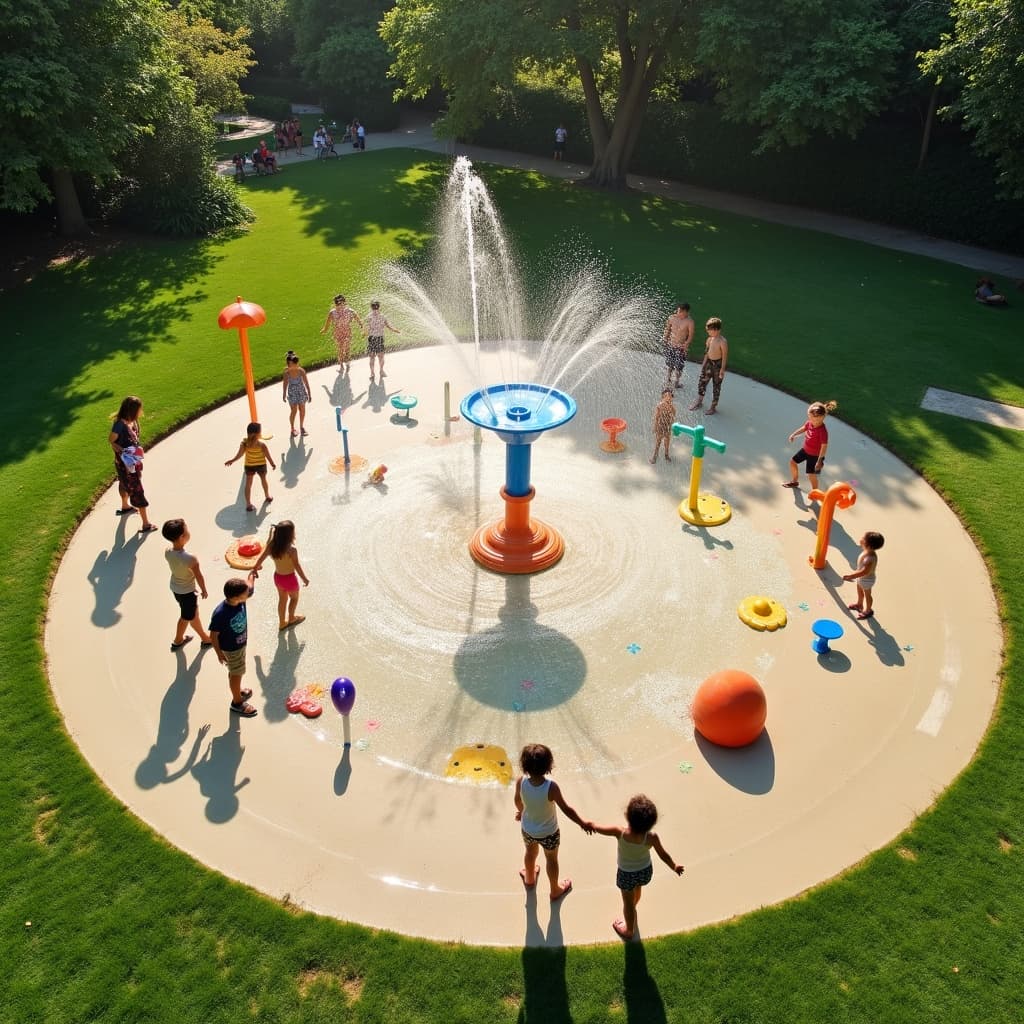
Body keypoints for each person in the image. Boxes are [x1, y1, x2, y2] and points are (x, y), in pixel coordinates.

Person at [589, 794, 684, 941]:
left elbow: (597, 828)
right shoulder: (651, 837)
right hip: (645, 871)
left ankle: (629, 930)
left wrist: (588, 824)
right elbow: (663, 855)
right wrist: (674, 866)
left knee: (627, 903)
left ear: (627, 816)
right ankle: (633, 907)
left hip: (626, 874)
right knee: (637, 889)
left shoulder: (619, 832)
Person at [514, 743, 592, 902]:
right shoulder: (550, 787)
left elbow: (517, 800)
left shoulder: (521, 781)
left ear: (524, 765)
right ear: (548, 765)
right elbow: (566, 809)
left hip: (528, 828)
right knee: (551, 859)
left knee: (530, 853)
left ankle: (529, 879)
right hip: (549, 832)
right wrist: (582, 823)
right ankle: (555, 890)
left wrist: (522, 812)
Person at [208, 572, 259, 717]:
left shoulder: (240, 600)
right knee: (237, 673)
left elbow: (250, 586)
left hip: (240, 643)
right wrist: (218, 653)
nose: (248, 593)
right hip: (231, 648)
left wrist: (252, 575)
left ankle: (237, 690)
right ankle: (237, 702)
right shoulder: (221, 613)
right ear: (236, 597)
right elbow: (213, 635)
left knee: (235, 671)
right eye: (245, 593)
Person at [161, 518, 213, 651]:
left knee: (192, 614)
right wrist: (204, 590)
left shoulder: (168, 552)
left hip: (176, 588)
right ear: (182, 536)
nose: (189, 532)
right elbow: (199, 576)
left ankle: (205, 638)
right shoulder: (191, 559)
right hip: (187, 592)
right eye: (187, 530)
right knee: (186, 617)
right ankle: (178, 640)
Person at [109, 395, 157, 533]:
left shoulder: (132, 422)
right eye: (140, 409)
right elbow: (111, 440)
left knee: (124, 483)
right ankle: (146, 524)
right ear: (132, 410)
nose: (142, 412)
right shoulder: (120, 425)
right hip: (126, 464)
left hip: (132, 461)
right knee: (137, 490)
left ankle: (125, 507)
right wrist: (123, 453)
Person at [253, 520, 309, 630]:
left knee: (282, 600)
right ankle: (292, 618)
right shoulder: (291, 550)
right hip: (290, 579)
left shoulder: (271, 546)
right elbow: (297, 566)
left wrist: (255, 568)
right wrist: (304, 579)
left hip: (278, 578)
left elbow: (261, 558)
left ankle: (282, 622)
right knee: (294, 599)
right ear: (290, 535)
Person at [782, 400, 838, 493]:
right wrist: (794, 434)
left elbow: (824, 447)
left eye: (813, 419)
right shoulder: (810, 422)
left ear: (821, 418)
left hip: (815, 456)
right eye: (810, 417)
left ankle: (815, 492)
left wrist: (820, 461)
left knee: (810, 475)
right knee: (793, 462)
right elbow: (804, 427)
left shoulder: (822, 431)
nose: (811, 420)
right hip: (805, 450)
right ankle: (794, 481)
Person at [225, 422, 276, 511]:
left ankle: (248, 504)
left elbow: (239, 455)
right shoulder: (262, 445)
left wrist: (232, 460)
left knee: (248, 484)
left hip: (249, 466)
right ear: (258, 433)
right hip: (261, 465)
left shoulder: (244, 443)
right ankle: (267, 496)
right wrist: (272, 463)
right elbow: (268, 455)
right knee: (263, 480)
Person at [689, 317, 728, 414]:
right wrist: (703, 364)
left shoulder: (723, 342)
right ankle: (699, 401)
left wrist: (722, 369)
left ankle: (713, 407)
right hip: (709, 363)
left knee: (716, 386)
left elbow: (724, 357)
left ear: (716, 329)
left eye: (709, 330)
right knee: (702, 382)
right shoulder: (709, 339)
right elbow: (707, 352)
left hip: (717, 366)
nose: (708, 332)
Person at [843, 531, 884, 620]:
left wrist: (851, 576)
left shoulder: (870, 558)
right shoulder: (867, 551)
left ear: (868, 545)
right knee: (859, 591)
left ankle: (868, 610)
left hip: (867, 580)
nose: (861, 539)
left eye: (863, 539)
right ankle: (859, 604)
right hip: (861, 578)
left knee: (867, 594)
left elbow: (864, 572)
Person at [320, 293, 363, 372]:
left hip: (342, 332)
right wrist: (324, 330)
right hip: (342, 332)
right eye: (338, 304)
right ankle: (344, 365)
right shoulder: (344, 311)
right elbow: (327, 323)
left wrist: (361, 326)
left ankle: (344, 365)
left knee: (343, 349)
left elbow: (358, 319)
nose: (339, 306)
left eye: (340, 304)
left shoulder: (337, 312)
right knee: (343, 349)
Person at [365, 300, 401, 382]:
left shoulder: (374, 316)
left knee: (375, 357)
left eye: (376, 308)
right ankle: (376, 372)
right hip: (376, 338)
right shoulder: (378, 316)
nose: (375, 309)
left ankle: (376, 372)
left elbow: (388, 326)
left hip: (375, 338)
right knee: (376, 357)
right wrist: (395, 330)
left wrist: (395, 330)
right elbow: (388, 326)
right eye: (374, 308)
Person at [663, 302, 694, 389]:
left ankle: (676, 382)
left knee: (679, 366)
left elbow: (691, 335)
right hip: (671, 345)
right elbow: (667, 329)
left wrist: (686, 344)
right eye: (678, 310)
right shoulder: (672, 318)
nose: (678, 312)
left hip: (680, 347)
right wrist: (665, 338)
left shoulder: (689, 322)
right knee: (669, 364)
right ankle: (668, 379)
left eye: (680, 311)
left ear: (686, 312)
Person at [282, 350, 312, 436]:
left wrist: (309, 394)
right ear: (289, 364)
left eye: (296, 363)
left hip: (301, 392)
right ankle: (292, 429)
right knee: (294, 411)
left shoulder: (301, 371)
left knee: (302, 409)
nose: (296, 364)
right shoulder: (286, 372)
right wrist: (284, 394)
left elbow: (306, 383)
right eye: (294, 363)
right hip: (292, 393)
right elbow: (285, 384)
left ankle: (302, 427)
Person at [650, 388, 676, 464]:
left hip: (668, 427)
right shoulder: (659, 406)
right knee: (658, 442)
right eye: (666, 396)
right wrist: (655, 427)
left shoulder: (673, 408)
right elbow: (656, 417)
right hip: (660, 427)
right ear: (662, 398)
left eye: (670, 396)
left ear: (672, 398)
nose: (668, 397)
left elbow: (673, 418)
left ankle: (666, 454)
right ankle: (655, 456)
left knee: (667, 442)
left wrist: (672, 427)